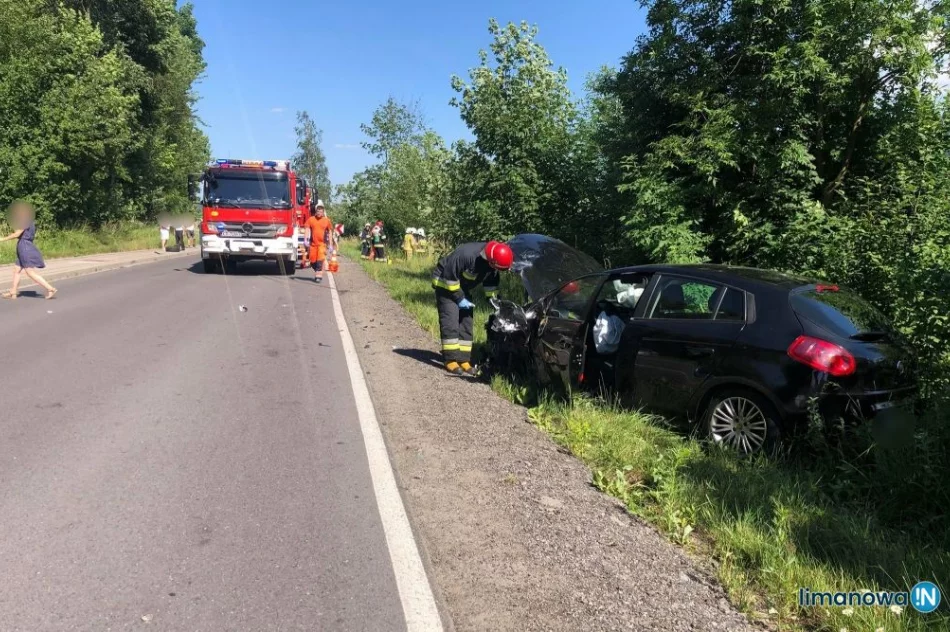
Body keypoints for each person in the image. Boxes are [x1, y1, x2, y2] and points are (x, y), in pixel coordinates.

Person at [432, 240, 513, 375]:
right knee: (450, 322)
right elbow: (449, 278)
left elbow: (491, 284)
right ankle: (450, 359)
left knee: (467, 323)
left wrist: (495, 302)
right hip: (445, 284)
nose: (498, 271)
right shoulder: (466, 255)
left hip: (461, 288)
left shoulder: (492, 263)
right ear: (491, 261)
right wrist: (459, 299)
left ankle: (463, 360)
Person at [0, 201, 57, 300]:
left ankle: (50, 288)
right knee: (16, 270)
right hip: (24, 245)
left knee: (29, 271)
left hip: (25, 247)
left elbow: (17, 234)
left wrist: (2, 239)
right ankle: (13, 291)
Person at [305, 200, 335, 283]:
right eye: (318, 211)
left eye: (321, 212)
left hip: (322, 244)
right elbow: (307, 228)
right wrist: (306, 239)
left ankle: (318, 275)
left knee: (320, 260)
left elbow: (330, 231)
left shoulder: (326, 221)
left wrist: (331, 244)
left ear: (323, 212)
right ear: (316, 211)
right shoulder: (311, 219)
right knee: (312, 261)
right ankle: (318, 270)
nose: (319, 213)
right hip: (313, 244)